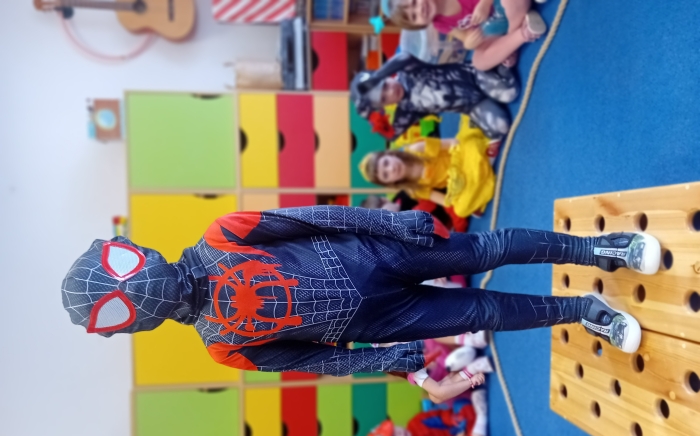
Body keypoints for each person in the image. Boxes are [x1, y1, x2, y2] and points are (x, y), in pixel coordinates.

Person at [62, 205, 660, 376]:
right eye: (120, 300)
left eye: (122, 266)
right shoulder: (222, 346)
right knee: (486, 311)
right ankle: (584, 309)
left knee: (486, 249)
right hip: (382, 321)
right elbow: (313, 362)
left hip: (379, 252)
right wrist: (384, 360)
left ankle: (597, 249)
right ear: (130, 321)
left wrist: (390, 224)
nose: (137, 283)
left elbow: (313, 218)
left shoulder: (221, 235)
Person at [351, 52, 518, 141]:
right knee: (500, 128)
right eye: (384, 99)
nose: (391, 92)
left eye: (385, 85)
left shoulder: (409, 72)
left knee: (509, 93)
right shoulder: (407, 110)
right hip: (473, 105)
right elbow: (392, 135)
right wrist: (369, 116)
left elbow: (404, 57)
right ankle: (491, 100)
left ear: (387, 77)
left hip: (474, 76)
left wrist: (377, 77)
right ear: (384, 106)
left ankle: (500, 68)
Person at [360, 122, 495, 219]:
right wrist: (453, 199)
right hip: (459, 180)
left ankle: (485, 158)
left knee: (471, 146)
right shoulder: (413, 189)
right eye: (386, 174)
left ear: (390, 155)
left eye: (386, 163)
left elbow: (451, 143)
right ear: (390, 182)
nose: (391, 168)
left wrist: (457, 160)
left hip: (460, 157)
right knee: (460, 209)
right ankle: (479, 178)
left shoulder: (416, 150)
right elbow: (441, 199)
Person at [381, 0, 546, 70]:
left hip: (500, 3)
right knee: (478, 62)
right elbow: (464, 37)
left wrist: (484, 4)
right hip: (493, 24)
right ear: (418, 25)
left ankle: (512, 40)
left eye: (414, 2)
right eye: (414, 16)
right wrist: (469, 43)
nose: (420, 9)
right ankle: (523, 33)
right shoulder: (440, 24)